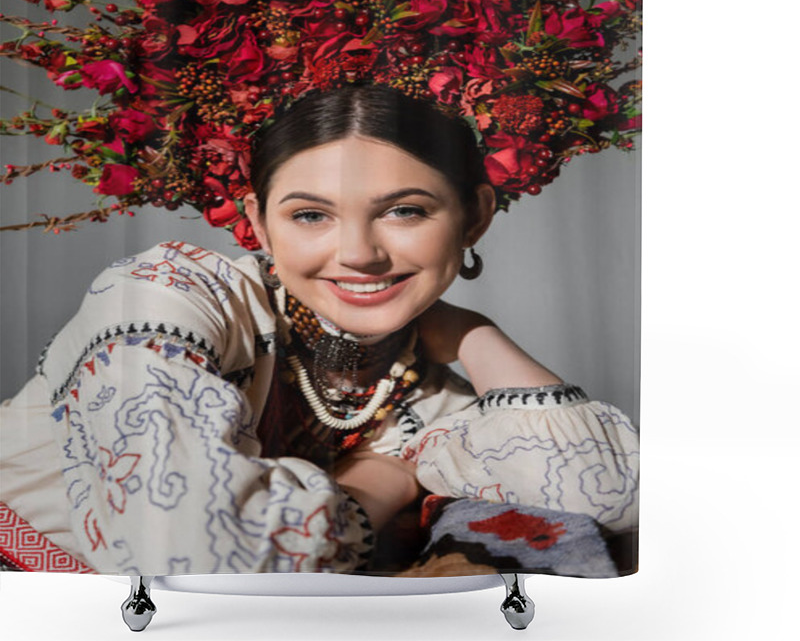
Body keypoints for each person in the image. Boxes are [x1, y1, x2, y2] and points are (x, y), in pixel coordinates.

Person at [0, 84, 638, 576]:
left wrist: (476, 334)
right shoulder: (165, 296)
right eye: (311, 215)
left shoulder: (430, 392)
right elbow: (190, 549)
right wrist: (378, 485)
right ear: (258, 221)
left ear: (474, 218)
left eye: (406, 211)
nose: (359, 254)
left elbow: (609, 500)